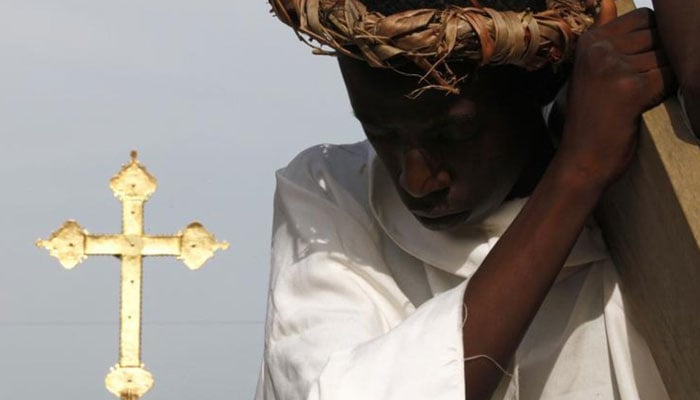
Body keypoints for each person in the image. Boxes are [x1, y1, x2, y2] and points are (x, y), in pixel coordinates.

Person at [255, 0, 697, 398]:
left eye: (454, 132)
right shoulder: (330, 197)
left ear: (549, 72)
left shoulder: (644, 209)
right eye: (381, 133)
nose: (417, 181)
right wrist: (575, 176)